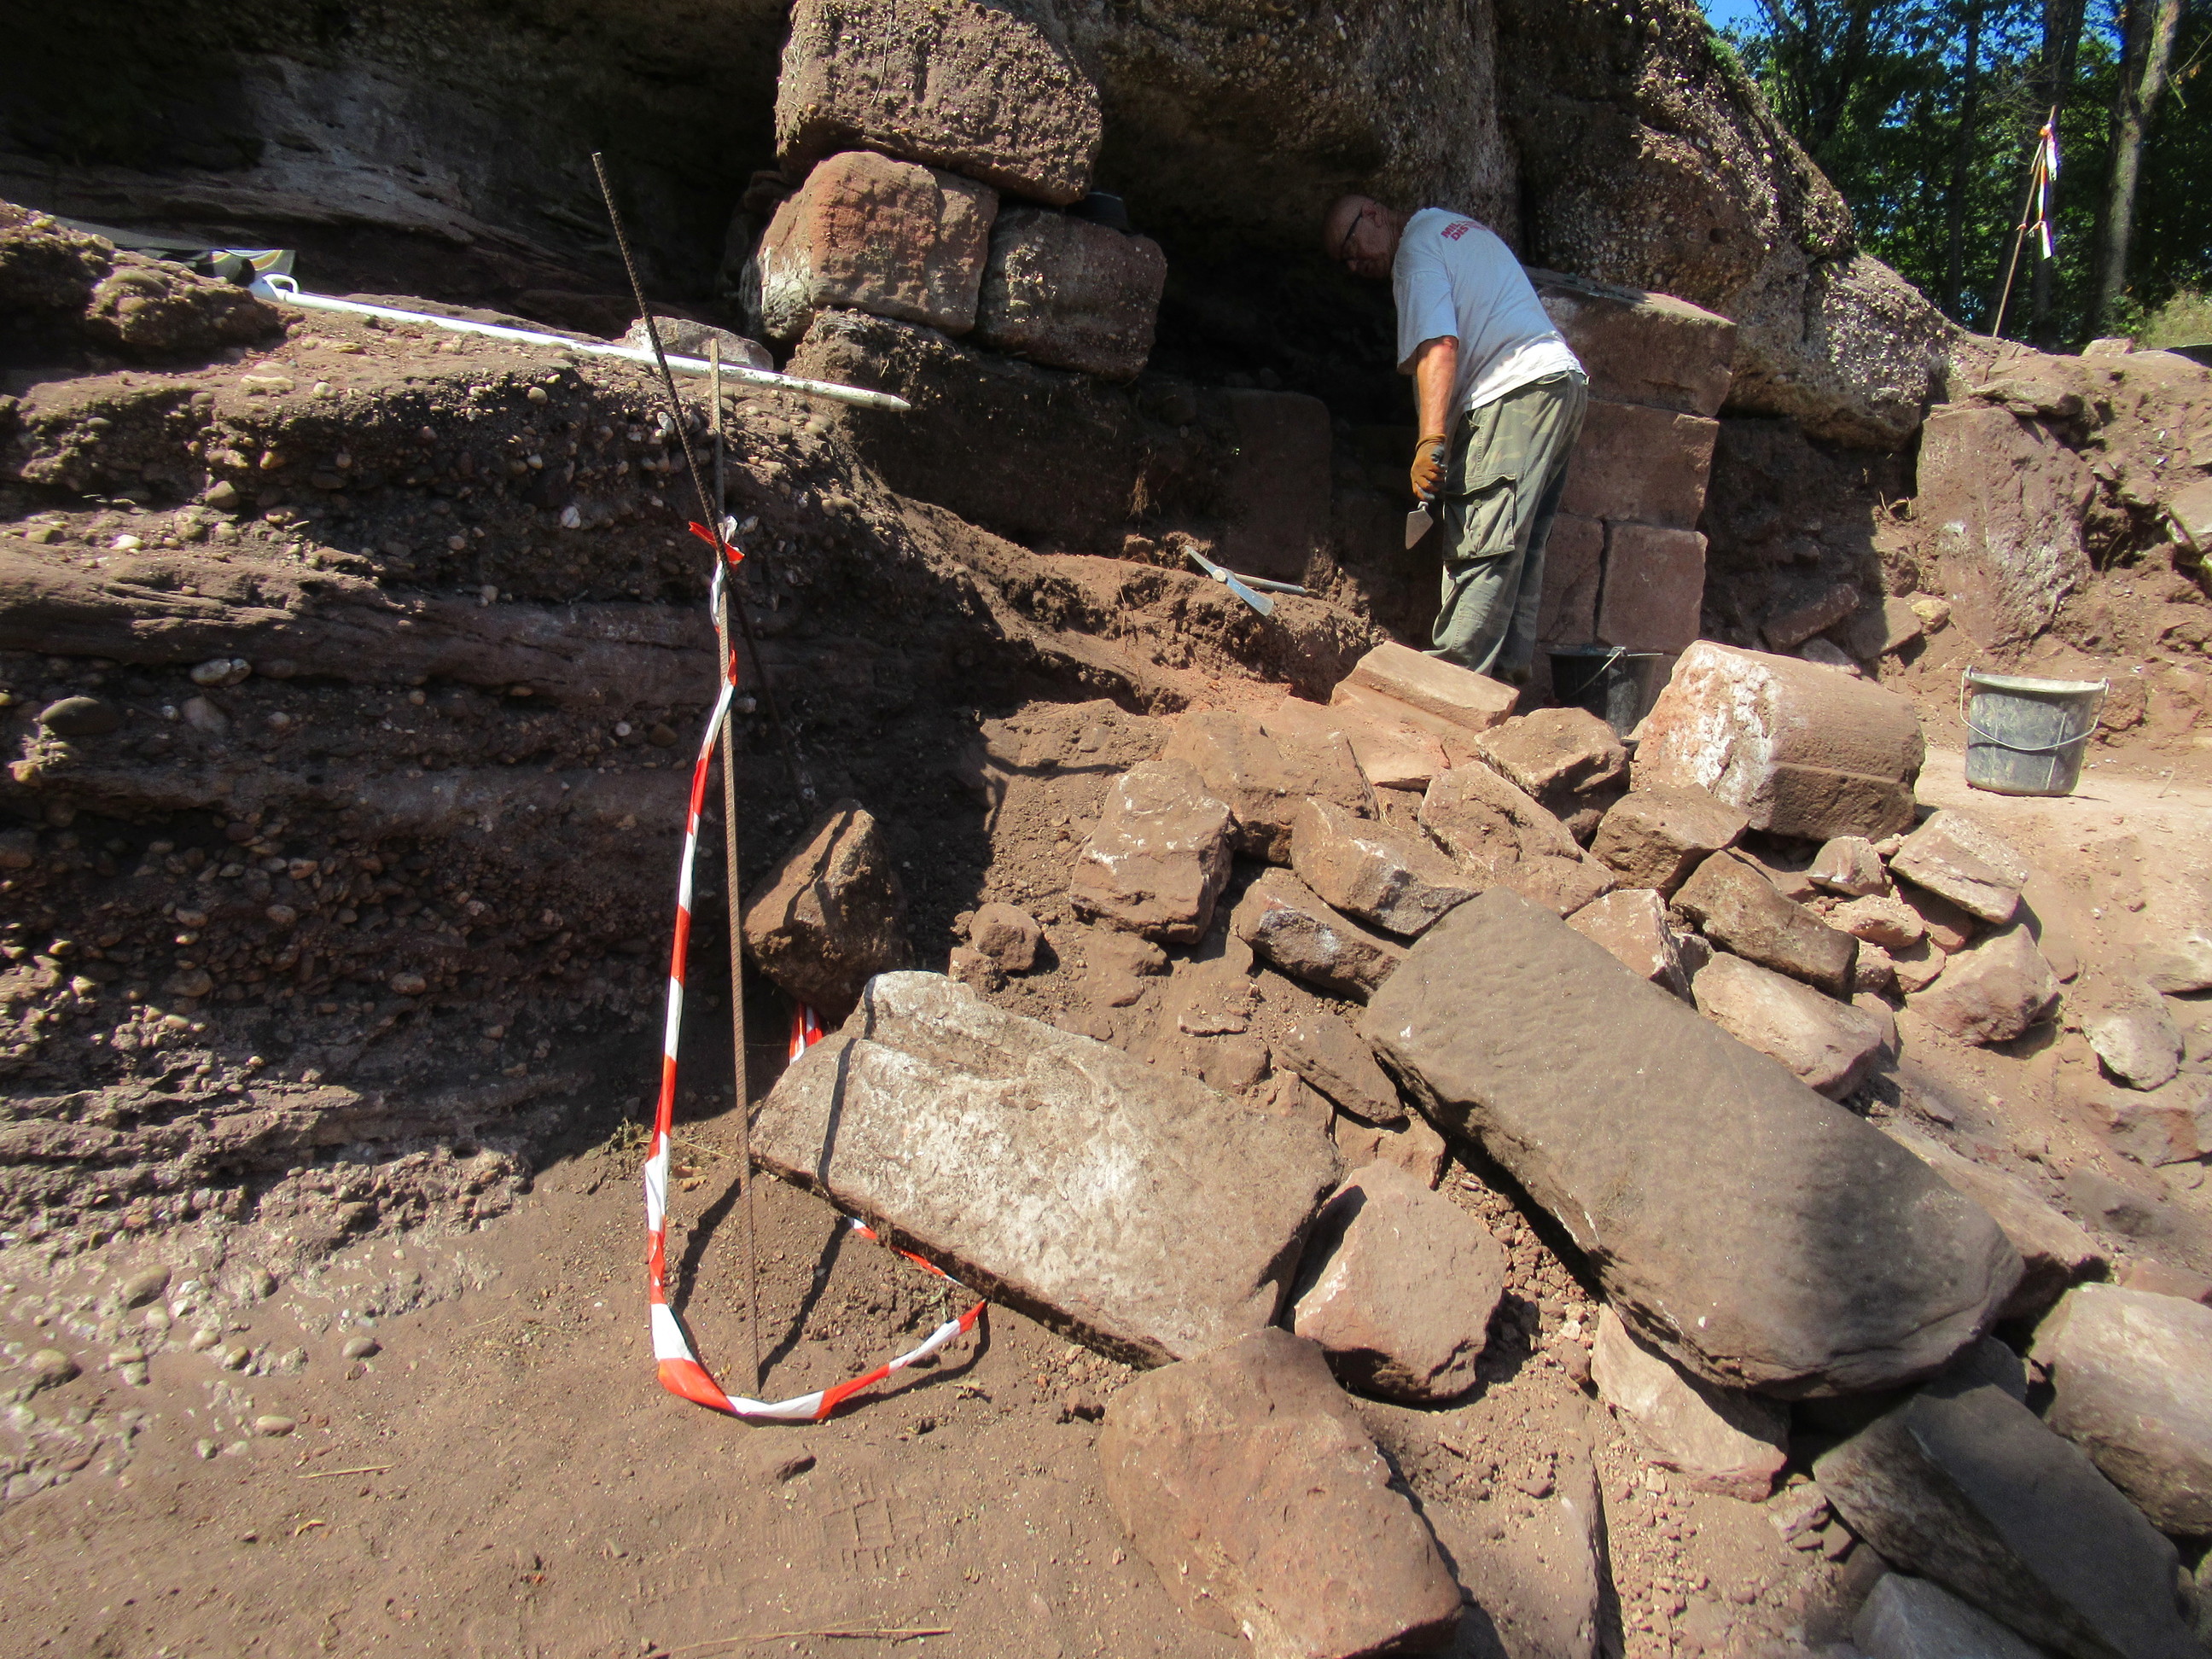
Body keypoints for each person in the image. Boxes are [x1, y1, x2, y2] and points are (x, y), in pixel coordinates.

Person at [1324, 195, 1586, 684]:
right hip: (1559, 384)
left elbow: (1439, 347)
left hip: (1513, 390)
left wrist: (1430, 443)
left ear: (1374, 214)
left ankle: (1452, 685)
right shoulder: (1450, 229)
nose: (1354, 265)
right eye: (1345, 263)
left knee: (1483, 539)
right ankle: (1502, 683)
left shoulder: (1416, 251)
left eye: (1351, 248)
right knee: (1520, 546)